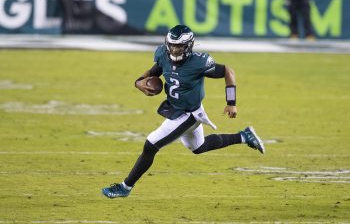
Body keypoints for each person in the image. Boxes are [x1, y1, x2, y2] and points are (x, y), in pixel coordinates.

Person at [102, 25, 265, 198]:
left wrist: (231, 102)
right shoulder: (164, 55)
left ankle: (125, 187)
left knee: (150, 146)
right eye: (172, 45)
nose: (174, 49)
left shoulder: (198, 62)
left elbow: (228, 71)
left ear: (188, 46)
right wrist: (139, 82)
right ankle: (243, 136)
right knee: (199, 147)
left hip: (188, 114)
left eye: (179, 46)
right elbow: (153, 71)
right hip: (177, 109)